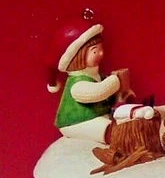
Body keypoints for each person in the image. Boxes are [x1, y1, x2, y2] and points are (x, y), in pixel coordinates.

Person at [46, 9, 152, 144]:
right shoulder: (77, 84)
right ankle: (120, 139)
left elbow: (109, 93)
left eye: (101, 49)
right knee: (104, 128)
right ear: (78, 57)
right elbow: (97, 92)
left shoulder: (98, 76)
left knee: (118, 117)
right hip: (77, 122)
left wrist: (123, 93)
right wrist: (115, 81)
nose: (101, 54)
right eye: (95, 51)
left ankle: (136, 122)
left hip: (98, 114)